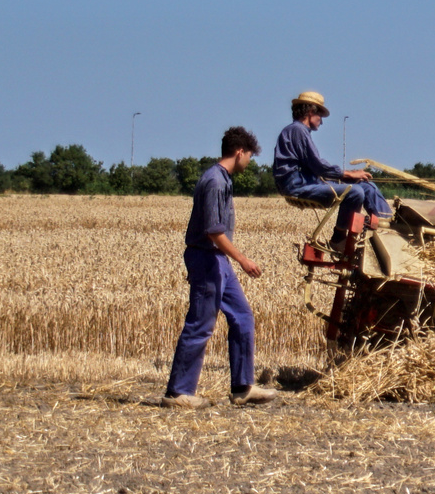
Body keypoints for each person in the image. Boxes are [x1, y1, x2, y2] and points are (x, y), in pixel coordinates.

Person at [164, 127, 277, 409]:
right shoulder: (214, 181)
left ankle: (242, 387)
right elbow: (214, 231)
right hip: (206, 258)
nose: (249, 161)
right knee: (201, 323)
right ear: (239, 152)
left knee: (242, 316)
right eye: (249, 156)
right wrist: (243, 259)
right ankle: (178, 393)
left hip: (218, 261)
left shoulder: (222, 179)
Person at [272, 90, 391, 233]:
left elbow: (314, 167)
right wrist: (347, 174)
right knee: (355, 192)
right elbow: (318, 166)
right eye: (320, 116)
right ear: (310, 112)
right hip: (298, 187)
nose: (321, 121)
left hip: (310, 182)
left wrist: (349, 174)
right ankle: (339, 237)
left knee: (366, 186)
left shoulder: (299, 131)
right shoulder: (297, 130)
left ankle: (388, 223)